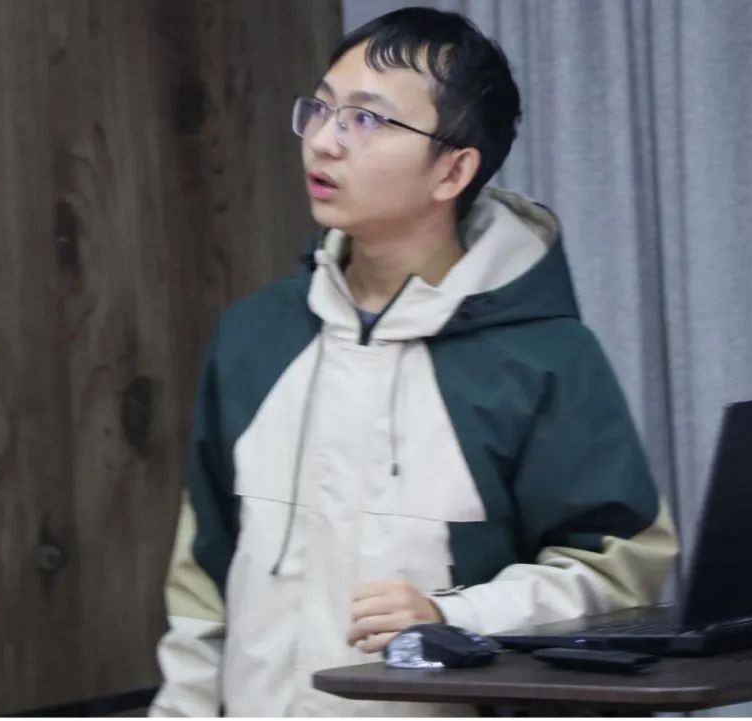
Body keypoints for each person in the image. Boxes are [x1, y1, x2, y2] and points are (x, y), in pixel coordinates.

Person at [149, 6, 678, 717]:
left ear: (453, 169)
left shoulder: (544, 358)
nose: (324, 141)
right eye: (321, 109)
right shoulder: (254, 336)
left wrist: (455, 615)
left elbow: (619, 577)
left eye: (366, 120)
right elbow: (201, 586)